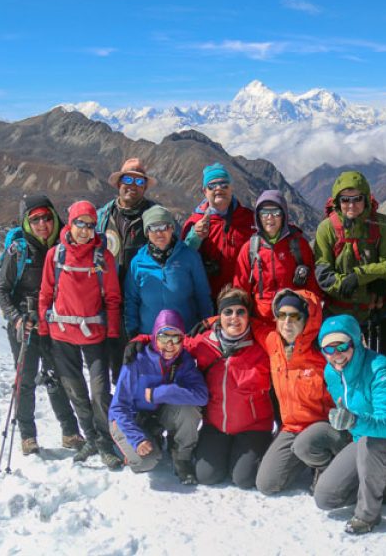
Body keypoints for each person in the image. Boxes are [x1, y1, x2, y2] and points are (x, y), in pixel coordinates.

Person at [313, 314, 386, 535]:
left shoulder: (381, 370)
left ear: (356, 342)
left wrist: (353, 421)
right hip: (365, 439)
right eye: (329, 349)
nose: (336, 354)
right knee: (325, 498)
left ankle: (367, 516)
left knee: (372, 442)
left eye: (342, 346)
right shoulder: (332, 372)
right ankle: (382, 482)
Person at [37, 200, 124, 469]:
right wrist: (43, 330)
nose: (85, 230)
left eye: (90, 225)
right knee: (76, 391)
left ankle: (105, 441)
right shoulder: (55, 256)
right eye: (80, 224)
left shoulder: (103, 257)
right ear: (71, 223)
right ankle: (92, 438)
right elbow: (45, 294)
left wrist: (112, 335)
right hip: (62, 334)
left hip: (94, 334)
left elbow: (112, 298)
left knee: (100, 392)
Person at [0, 194, 83, 455]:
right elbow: (2, 290)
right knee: (26, 379)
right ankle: (28, 436)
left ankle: (70, 432)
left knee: (58, 377)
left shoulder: (64, 246)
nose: (42, 224)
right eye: (35, 220)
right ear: (26, 222)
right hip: (26, 323)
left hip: (55, 323)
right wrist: (16, 318)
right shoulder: (19, 251)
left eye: (46, 217)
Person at [252, 289, 350, 495]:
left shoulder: (323, 351)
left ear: (307, 319)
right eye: (282, 315)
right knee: (267, 484)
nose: (287, 322)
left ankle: (325, 463)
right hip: (292, 428)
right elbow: (249, 324)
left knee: (309, 451)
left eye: (295, 316)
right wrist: (214, 320)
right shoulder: (273, 342)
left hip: (325, 427)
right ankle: (305, 458)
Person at [313, 171, 386, 362]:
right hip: (339, 315)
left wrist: (358, 277)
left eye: (357, 199)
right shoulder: (326, 229)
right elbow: (324, 275)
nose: (351, 205)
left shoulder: (382, 225)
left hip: (378, 312)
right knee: (341, 368)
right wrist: (369, 277)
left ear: (366, 199)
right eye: (345, 200)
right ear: (337, 201)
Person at [187, 287, 273, 488]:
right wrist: (141, 340)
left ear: (248, 316)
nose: (234, 317)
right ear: (220, 316)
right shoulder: (204, 342)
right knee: (206, 476)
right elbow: (169, 344)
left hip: (253, 427)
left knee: (244, 479)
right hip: (216, 426)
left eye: (240, 312)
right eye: (228, 312)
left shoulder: (263, 345)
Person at [109, 309, 207, 483]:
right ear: (155, 337)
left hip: (158, 415)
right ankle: (128, 448)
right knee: (145, 461)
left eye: (176, 338)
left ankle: (181, 457)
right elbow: (118, 407)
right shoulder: (137, 359)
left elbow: (201, 396)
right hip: (128, 419)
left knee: (189, 410)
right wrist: (137, 439)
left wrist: (161, 393)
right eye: (163, 337)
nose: (169, 344)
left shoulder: (183, 360)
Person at [96, 158, 160, 381]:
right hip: (108, 302)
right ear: (118, 183)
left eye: (139, 181)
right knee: (113, 363)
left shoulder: (155, 216)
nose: (133, 185)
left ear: (145, 187)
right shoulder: (103, 217)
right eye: (128, 180)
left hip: (143, 303)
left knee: (142, 361)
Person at [123, 205, 212, 337]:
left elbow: (202, 294)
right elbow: (131, 300)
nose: (159, 233)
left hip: (186, 335)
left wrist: (206, 327)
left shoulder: (189, 257)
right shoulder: (138, 262)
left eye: (164, 226)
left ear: (172, 228)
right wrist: (133, 332)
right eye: (153, 228)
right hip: (149, 336)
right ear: (147, 232)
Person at [234, 190, 321, 322]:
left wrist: (313, 317)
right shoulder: (250, 249)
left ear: (283, 215)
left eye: (275, 212)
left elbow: (312, 285)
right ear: (258, 216)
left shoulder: (298, 245)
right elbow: (240, 289)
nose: (270, 217)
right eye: (264, 212)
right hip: (262, 322)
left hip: (292, 320)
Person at [182, 162, 255, 300]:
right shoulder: (194, 222)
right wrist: (195, 237)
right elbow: (182, 260)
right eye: (212, 186)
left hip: (242, 298)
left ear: (231, 188)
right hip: (207, 299)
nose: (219, 189)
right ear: (205, 191)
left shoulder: (249, 219)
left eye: (224, 184)